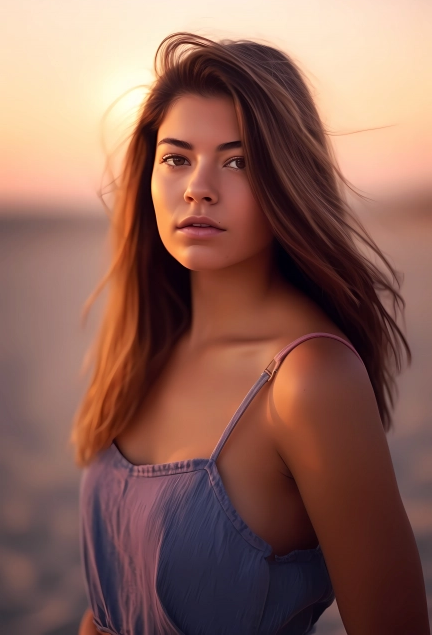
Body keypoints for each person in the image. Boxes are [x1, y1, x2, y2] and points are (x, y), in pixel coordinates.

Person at [72, 32, 430, 635]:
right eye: (177, 157)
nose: (198, 186)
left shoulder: (309, 381)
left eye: (238, 161)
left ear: (287, 181)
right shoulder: (144, 351)